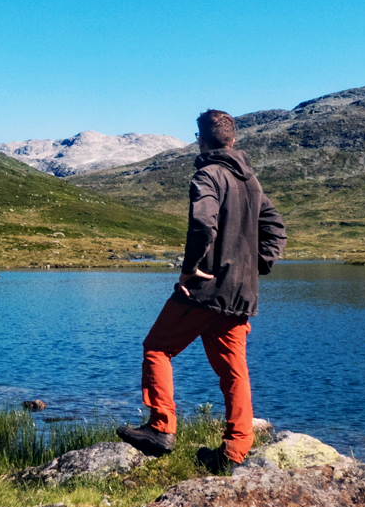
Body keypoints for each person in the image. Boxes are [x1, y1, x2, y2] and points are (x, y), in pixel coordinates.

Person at [115, 109, 287, 475]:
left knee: (157, 347)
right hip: (240, 294)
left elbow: (203, 222)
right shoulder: (250, 181)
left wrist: (190, 267)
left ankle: (161, 428)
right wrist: (252, 266)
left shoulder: (208, 174)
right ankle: (234, 451)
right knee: (234, 373)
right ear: (234, 138)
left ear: (201, 139)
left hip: (205, 289)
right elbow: (276, 228)